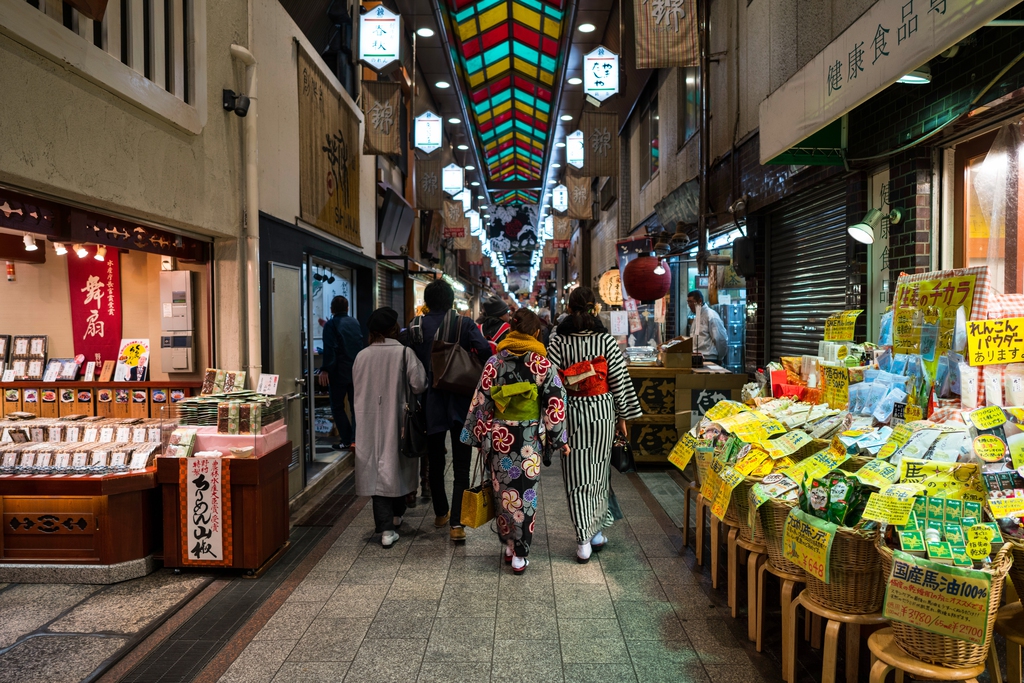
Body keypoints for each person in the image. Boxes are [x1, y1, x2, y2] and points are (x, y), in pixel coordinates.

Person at [461, 309, 569, 574]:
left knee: (503, 494)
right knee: (525, 497)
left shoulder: (494, 362)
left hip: (499, 438)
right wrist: (558, 438)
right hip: (528, 438)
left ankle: (510, 546)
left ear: (512, 331)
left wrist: (476, 434)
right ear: (535, 333)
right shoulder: (543, 365)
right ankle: (521, 553)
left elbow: (481, 400)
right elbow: (556, 404)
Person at [548, 287, 642, 563]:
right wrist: (622, 417)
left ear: (569, 308)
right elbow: (619, 382)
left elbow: (552, 385)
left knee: (576, 477)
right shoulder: (607, 341)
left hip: (572, 412)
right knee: (599, 475)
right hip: (602, 411)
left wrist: (551, 422)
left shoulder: (558, 342)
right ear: (594, 309)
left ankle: (583, 540)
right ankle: (596, 532)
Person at [409, 279, 492, 542]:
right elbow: (486, 350)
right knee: (461, 464)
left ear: (427, 302)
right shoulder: (463, 324)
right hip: (459, 400)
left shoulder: (415, 326)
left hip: (428, 401)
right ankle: (457, 524)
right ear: (450, 301)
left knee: (434, 458)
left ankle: (440, 512)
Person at [352, 308, 427, 548]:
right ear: (395, 329)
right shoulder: (404, 353)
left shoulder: (361, 356)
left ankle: (388, 524)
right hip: (398, 422)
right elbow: (419, 385)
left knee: (376, 469)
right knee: (397, 467)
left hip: (368, 423)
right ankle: (391, 522)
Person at [318, 295, 364, 448]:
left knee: (337, 407)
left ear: (331, 309)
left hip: (338, 373)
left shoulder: (332, 325)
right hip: (356, 371)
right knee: (355, 406)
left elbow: (331, 349)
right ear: (348, 308)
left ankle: (346, 440)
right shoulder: (355, 322)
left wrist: (325, 369)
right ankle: (356, 439)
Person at [686, 290, 728, 363]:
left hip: (709, 358)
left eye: (691, 301)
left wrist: (720, 357)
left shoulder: (711, 316)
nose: (689, 305)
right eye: (688, 302)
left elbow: (720, 339)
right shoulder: (697, 316)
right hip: (696, 358)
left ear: (700, 301)